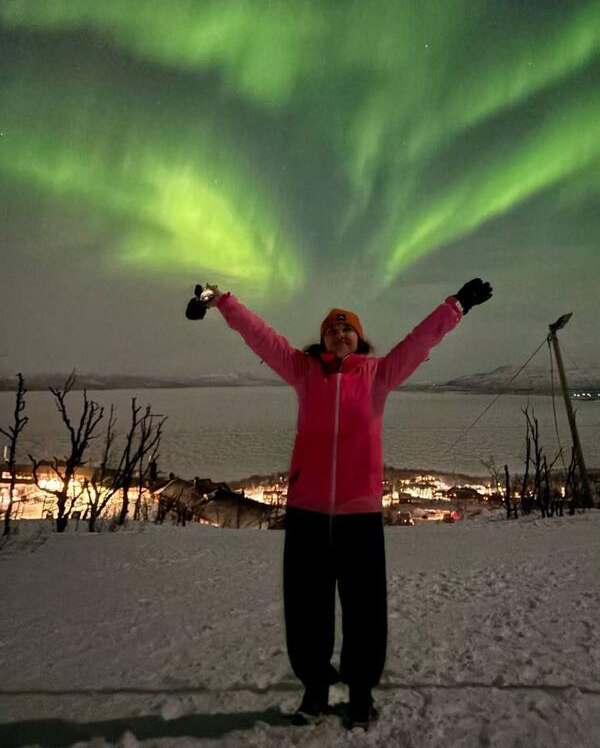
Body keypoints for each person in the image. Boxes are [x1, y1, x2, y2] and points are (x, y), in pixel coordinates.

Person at [185, 277, 493, 728]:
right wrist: (224, 302)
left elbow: (420, 340)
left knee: (365, 609)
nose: (340, 335)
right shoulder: (303, 371)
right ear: (323, 338)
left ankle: (362, 692)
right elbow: (262, 337)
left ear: (359, 338)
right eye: (333, 329)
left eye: (348, 330)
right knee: (306, 607)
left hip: (359, 512)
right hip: (307, 511)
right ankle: (314, 689)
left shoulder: (379, 375)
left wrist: (457, 305)